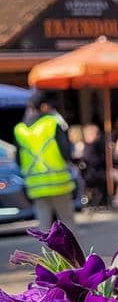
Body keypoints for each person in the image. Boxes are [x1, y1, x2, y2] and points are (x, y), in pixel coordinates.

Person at [14, 92, 76, 230]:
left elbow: (18, 159)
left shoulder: (20, 130)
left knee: (44, 226)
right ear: (43, 106)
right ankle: (72, 252)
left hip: (36, 187)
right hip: (58, 182)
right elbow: (65, 151)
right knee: (67, 223)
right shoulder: (52, 123)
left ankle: (46, 252)